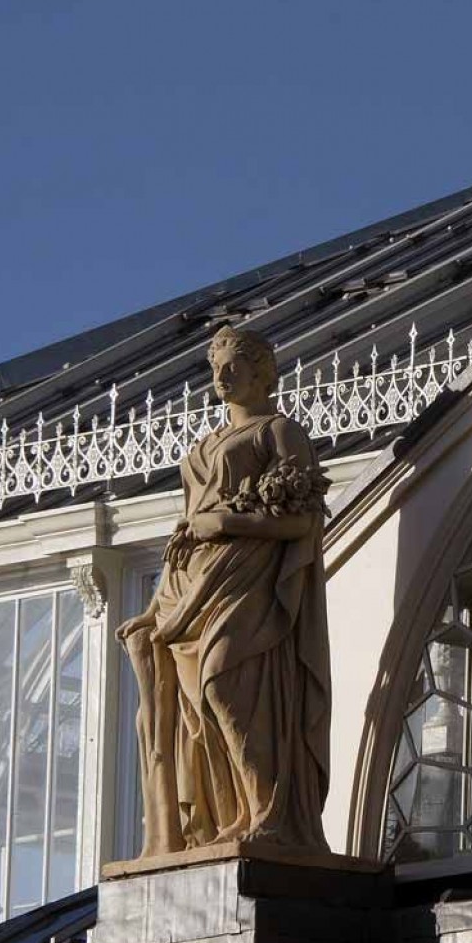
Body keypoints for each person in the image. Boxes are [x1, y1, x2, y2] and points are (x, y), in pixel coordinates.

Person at [119, 323, 331, 853]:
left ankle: (271, 812)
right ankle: (231, 815)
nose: (223, 375)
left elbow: (301, 525)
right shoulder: (204, 446)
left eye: (235, 365)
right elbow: (185, 534)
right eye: (216, 368)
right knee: (197, 709)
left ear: (262, 372)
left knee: (221, 681)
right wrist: (153, 609)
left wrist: (227, 525)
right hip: (191, 584)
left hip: (249, 578)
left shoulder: (280, 432)